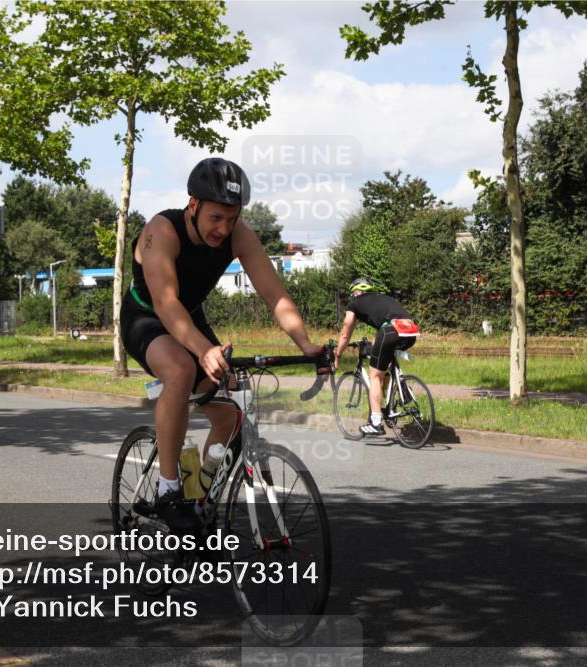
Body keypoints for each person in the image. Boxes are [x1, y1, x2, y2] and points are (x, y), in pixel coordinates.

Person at [120, 157, 325, 533]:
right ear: (193, 205)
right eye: (216, 217)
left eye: (232, 218)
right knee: (180, 370)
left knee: (231, 415)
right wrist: (204, 351)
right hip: (146, 316)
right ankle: (168, 490)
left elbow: (274, 294)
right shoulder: (162, 231)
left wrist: (305, 343)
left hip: (190, 318)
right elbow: (166, 303)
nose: (224, 228)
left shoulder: (239, 234)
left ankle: (199, 500)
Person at [334, 278, 419, 436]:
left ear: (356, 292)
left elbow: (346, 331)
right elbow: (383, 328)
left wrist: (338, 353)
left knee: (375, 376)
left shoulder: (355, 303)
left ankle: (375, 422)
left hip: (390, 331)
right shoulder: (382, 298)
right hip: (411, 330)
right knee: (384, 364)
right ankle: (397, 397)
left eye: (353, 294)